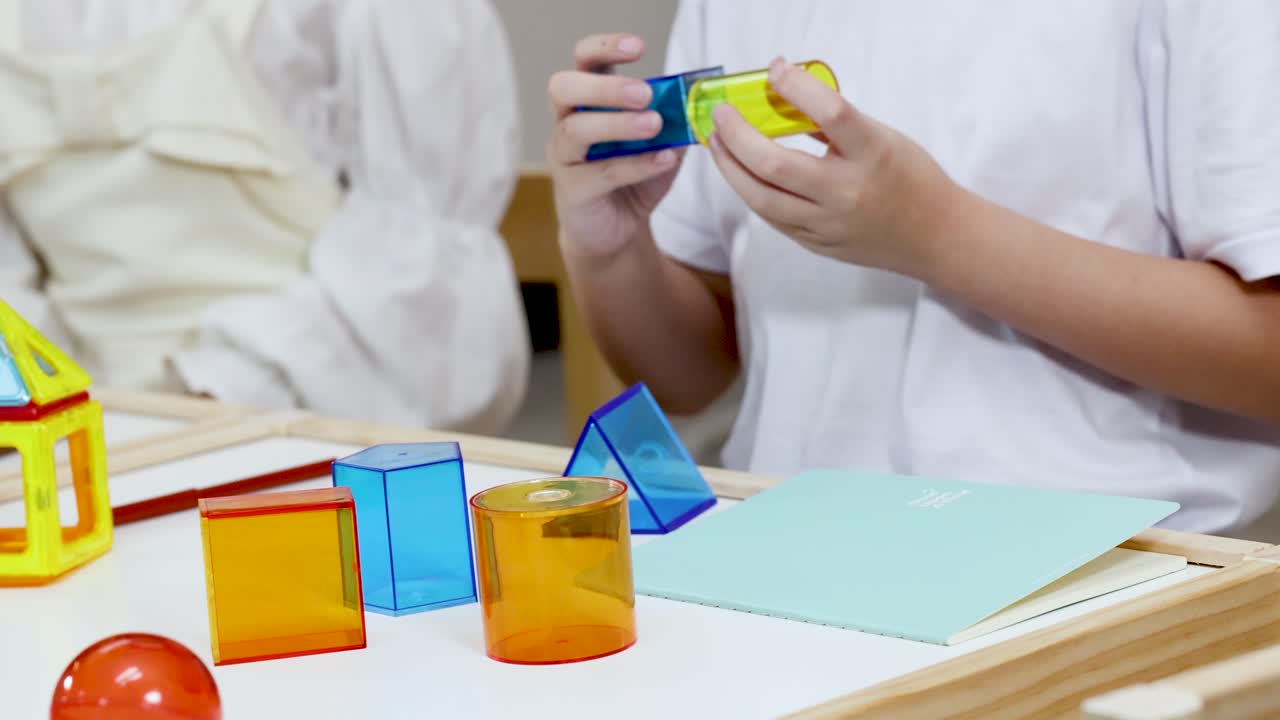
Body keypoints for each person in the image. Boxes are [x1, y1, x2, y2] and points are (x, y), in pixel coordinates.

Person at [547, 1, 1280, 536]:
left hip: (1118, 572)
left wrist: (939, 237)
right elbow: (690, 377)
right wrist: (610, 247)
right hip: (787, 547)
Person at [0, 0, 528, 433]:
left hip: (316, 437)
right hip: (76, 446)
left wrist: (202, 403)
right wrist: (48, 408)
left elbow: (422, 284)